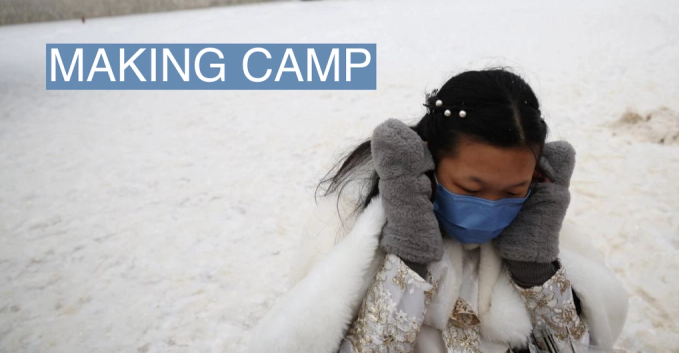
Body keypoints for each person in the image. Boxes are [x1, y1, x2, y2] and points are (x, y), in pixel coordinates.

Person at [248, 68, 628, 352]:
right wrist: (410, 254)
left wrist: (534, 267)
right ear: (429, 157)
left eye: (513, 190)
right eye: (471, 188)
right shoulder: (353, 226)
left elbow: (577, 347)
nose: (492, 206)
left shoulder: (544, 231)